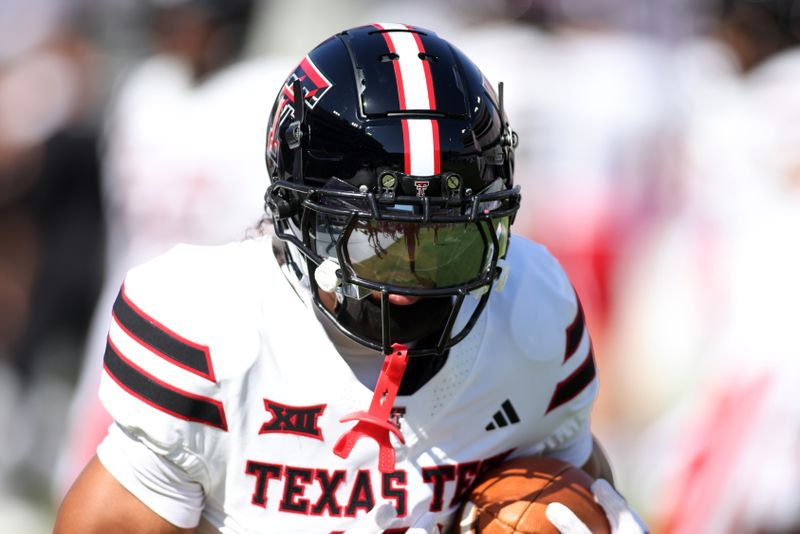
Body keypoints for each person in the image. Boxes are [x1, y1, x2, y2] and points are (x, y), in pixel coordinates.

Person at [54, 23, 645, 533]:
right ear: (299, 220)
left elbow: (577, 491)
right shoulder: (218, 330)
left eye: (448, 242)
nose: (411, 286)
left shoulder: (530, 317)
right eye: (377, 243)